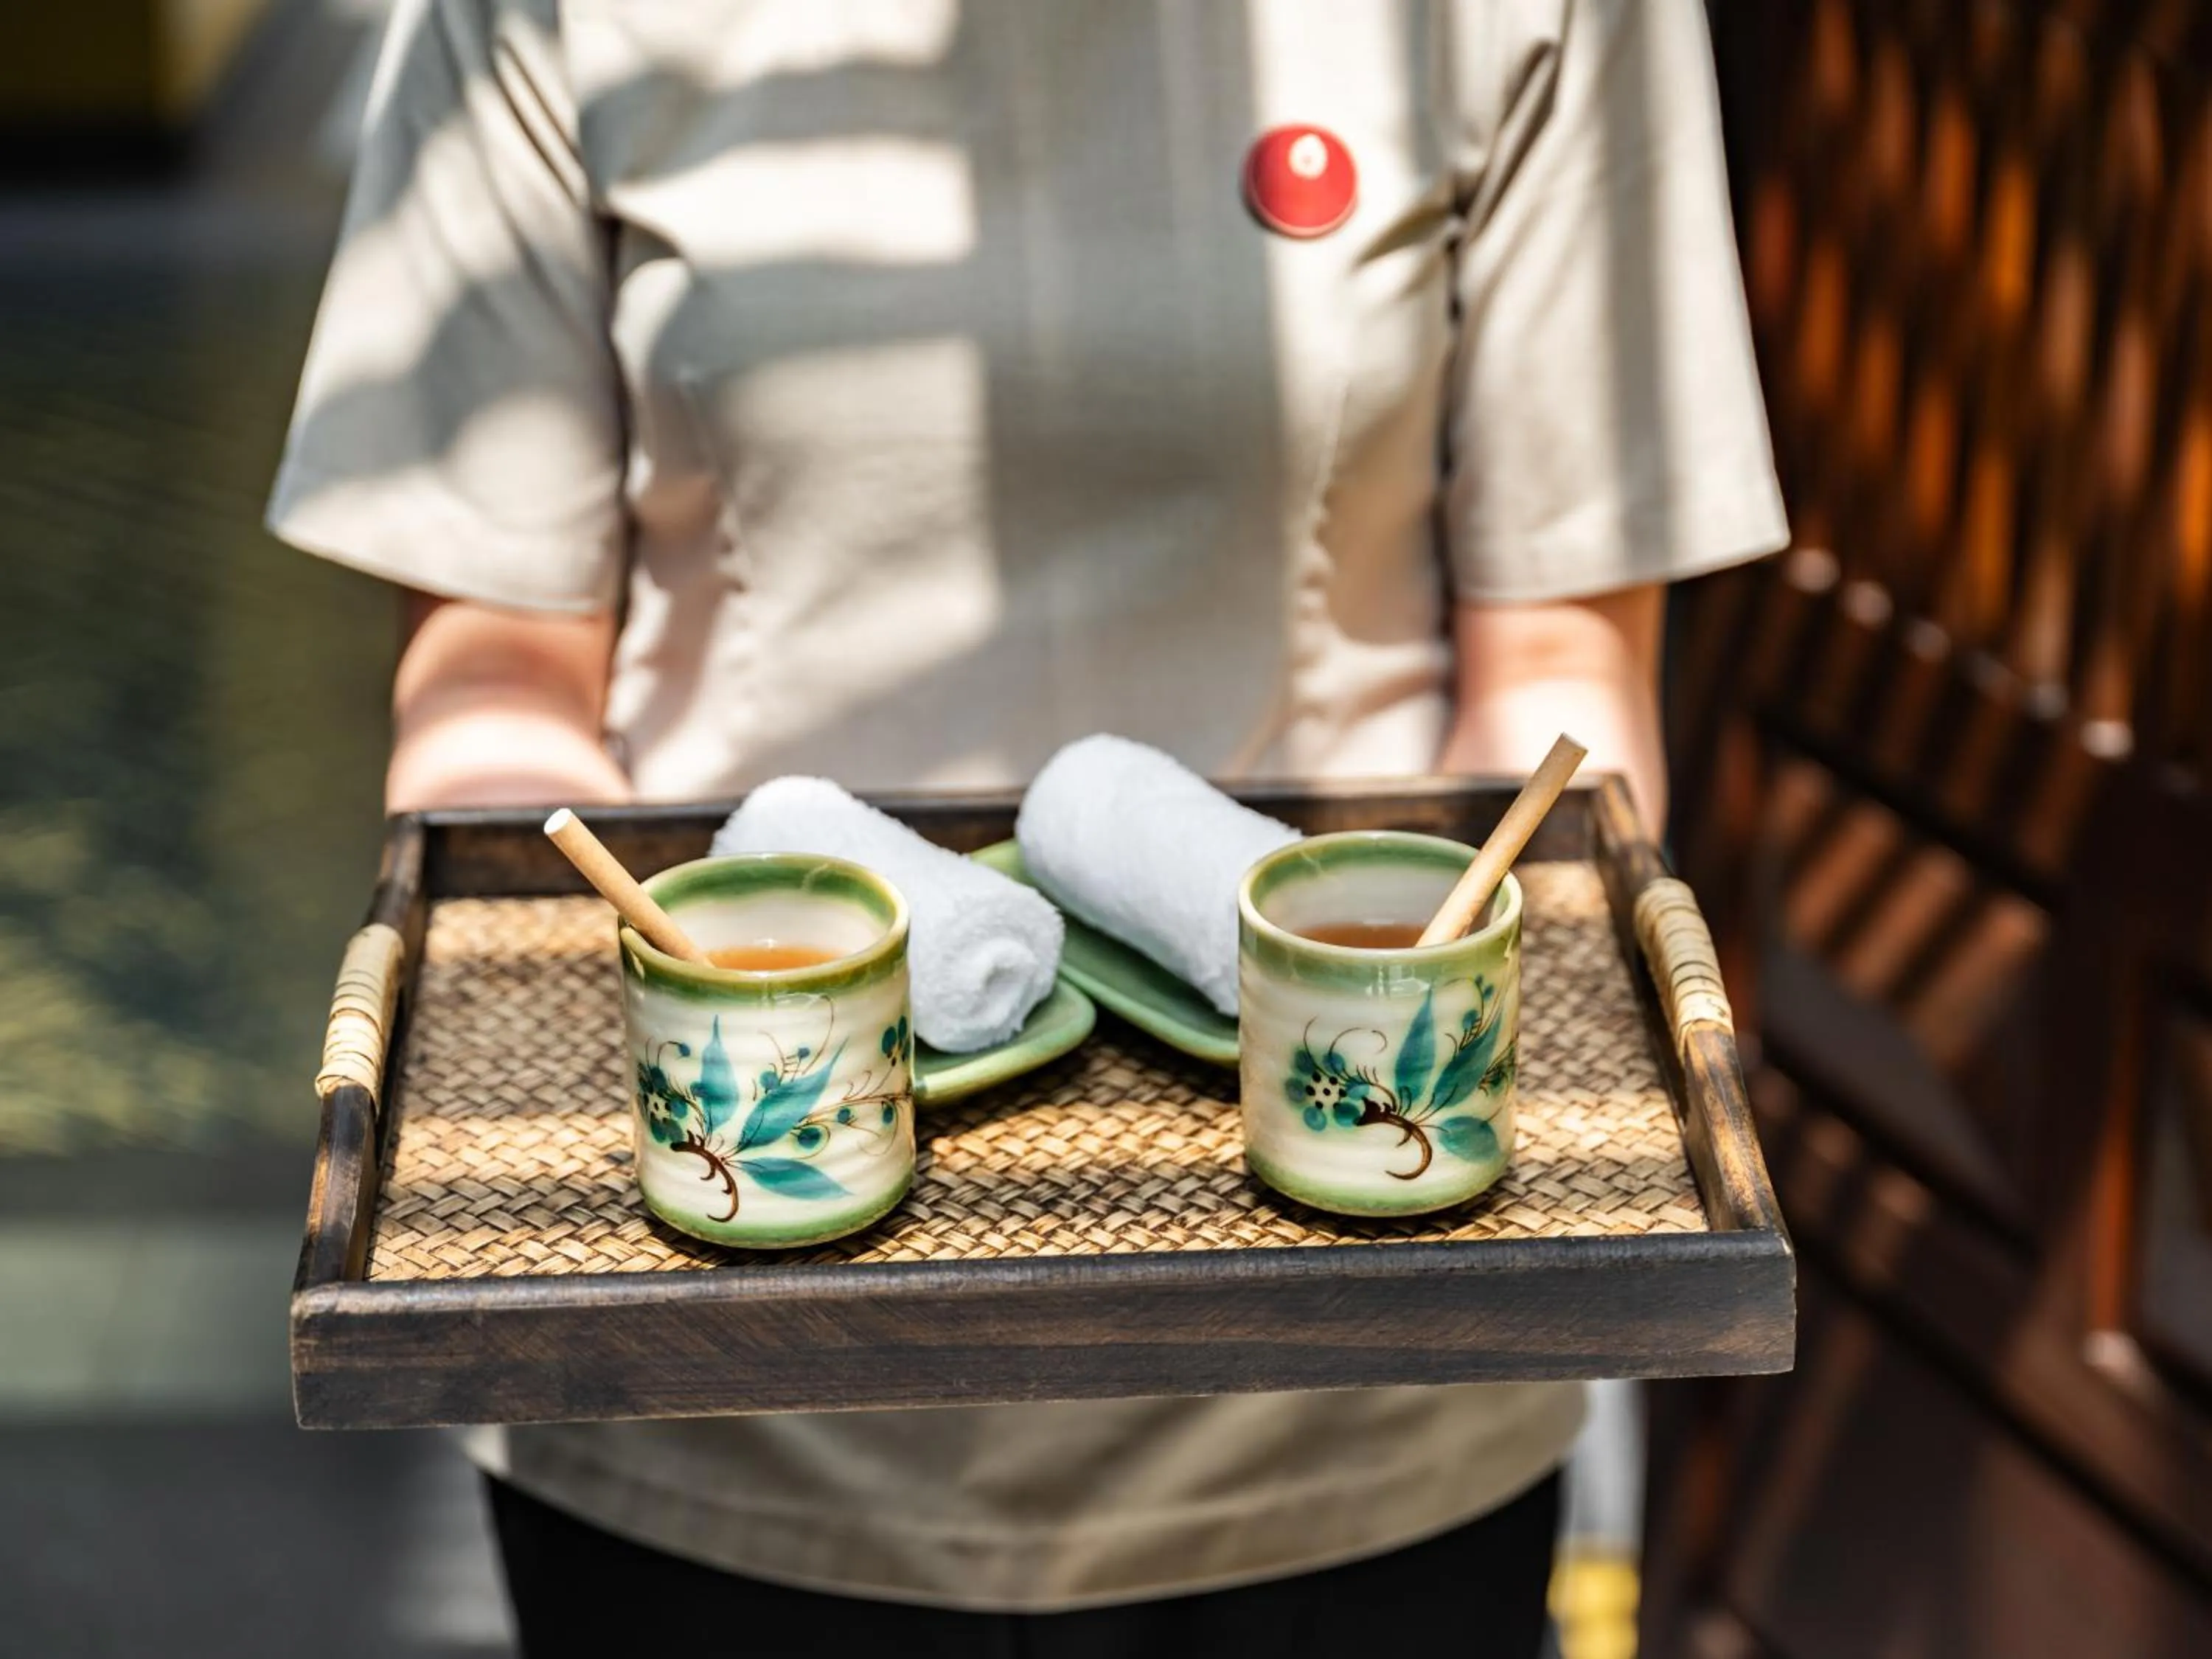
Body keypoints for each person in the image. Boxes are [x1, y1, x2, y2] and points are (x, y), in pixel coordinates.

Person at [269, 1, 1786, 1652]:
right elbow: (498, 665)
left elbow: (1557, 660)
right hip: (715, 1384)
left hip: (1358, 1390)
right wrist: (584, 1073)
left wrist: (1496, 1082)